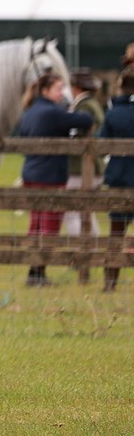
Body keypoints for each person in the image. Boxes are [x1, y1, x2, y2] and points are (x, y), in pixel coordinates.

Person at [16, 72, 94, 287]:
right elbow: (86, 120)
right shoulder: (52, 113)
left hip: (30, 173)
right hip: (50, 175)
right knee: (49, 224)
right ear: (45, 91)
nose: (62, 93)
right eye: (58, 89)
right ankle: (38, 272)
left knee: (36, 222)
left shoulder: (29, 112)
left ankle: (34, 270)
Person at [64, 71, 105, 273]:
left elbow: (79, 133)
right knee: (86, 213)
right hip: (91, 167)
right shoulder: (93, 104)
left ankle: (82, 253)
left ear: (77, 87)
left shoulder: (84, 106)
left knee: (72, 213)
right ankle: (92, 251)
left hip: (80, 168)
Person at [98, 68, 134, 292]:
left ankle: (110, 283)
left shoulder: (113, 113)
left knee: (116, 233)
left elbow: (101, 145)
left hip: (119, 179)